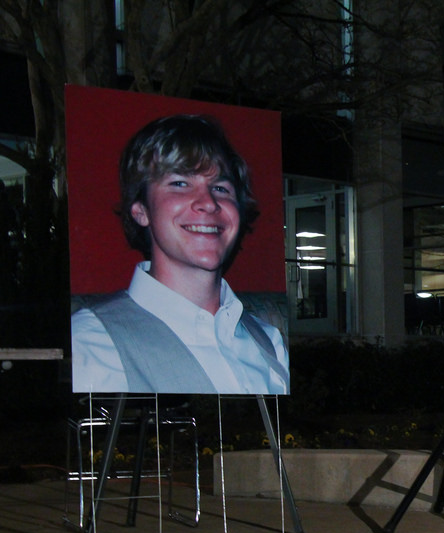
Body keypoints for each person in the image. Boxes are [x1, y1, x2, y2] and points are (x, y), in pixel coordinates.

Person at [72, 114, 289, 394]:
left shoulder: (270, 342)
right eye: (180, 183)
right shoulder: (92, 343)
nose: (208, 203)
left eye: (220, 188)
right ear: (141, 211)